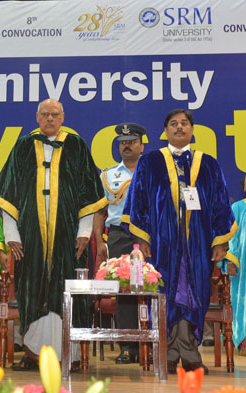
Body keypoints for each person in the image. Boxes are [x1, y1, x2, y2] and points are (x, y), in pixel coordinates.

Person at [0, 98, 106, 370]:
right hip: (30, 232)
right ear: (37, 117)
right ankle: (33, 353)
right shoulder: (22, 146)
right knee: (33, 287)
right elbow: (8, 194)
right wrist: (11, 235)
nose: (50, 119)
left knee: (66, 288)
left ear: (63, 117)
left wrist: (85, 231)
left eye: (55, 114)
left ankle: (71, 355)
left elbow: (89, 193)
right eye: (45, 114)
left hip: (68, 232)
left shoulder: (76, 145)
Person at [121, 108, 237, 375]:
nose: (179, 127)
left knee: (194, 293)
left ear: (192, 130)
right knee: (167, 294)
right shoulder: (149, 162)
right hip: (163, 243)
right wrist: (141, 239)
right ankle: (169, 353)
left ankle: (190, 353)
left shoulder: (209, 164)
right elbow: (138, 202)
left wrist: (220, 242)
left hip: (198, 243)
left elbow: (220, 204)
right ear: (165, 132)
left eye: (184, 123)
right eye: (173, 124)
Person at [93, 122, 145, 364]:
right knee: (125, 291)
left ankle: (153, 344)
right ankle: (128, 347)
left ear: (142, 145)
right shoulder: (108, 175)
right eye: (123, 142)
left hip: (149, 235)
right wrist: (100, 241)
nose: (127, 145)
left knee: (152, 289)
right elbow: (98, 210)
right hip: (118, 235)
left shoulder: (153, 171)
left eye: (131, 141)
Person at [230, 173, 246, 355]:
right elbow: (230, 238)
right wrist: (231, 261)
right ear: (245, 187)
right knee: (243, 299)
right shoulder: (238, 208)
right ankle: (245, 340)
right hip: (244, 267)